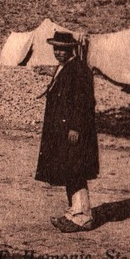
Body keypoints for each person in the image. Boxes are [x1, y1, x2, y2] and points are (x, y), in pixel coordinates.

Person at [35, 30, 99, 232]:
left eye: (62, 50)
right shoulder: (66, 68)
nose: (58, 53)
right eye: (56, 49)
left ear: (70, 49)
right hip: (63, 130)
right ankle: (74, 211)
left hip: (74, 131)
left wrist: (75, 127)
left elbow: (84, 102)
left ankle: (83, 217)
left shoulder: (79, 70)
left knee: (76, 170)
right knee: (69, 170)